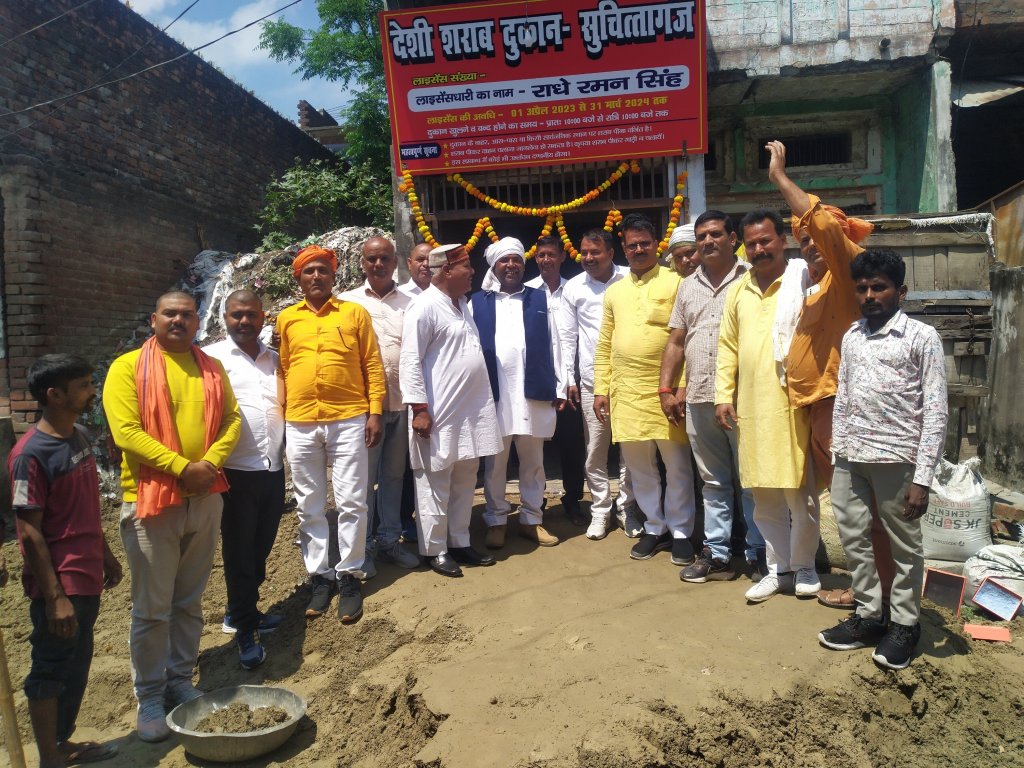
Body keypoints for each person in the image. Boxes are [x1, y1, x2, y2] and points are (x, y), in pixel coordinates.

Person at [765, 139, 896, 610]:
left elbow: (820, 224)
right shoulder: (816, 287)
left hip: (839, 407)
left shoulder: (847, 273)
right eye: (803, 243)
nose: (809, 246)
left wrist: (780, 178)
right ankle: (870, 589)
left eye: (816, 240)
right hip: (816, 409)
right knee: (848, 508)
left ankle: (875, 596)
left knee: (861, 510)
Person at [104, 291, 240, 741]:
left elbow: (232, 421)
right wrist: (183, 468)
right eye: (170, 314)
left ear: (198, 321)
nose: (178, 320)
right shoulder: (127, 368)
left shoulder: (212, 368)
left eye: (187, 314)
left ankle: (180, 679)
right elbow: (127, 432)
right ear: (154, 319)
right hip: (151, 502)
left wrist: (209, 465)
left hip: (205, 498)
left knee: (189, 601)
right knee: (152, 609)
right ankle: (149, 695)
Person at [818, 250, 947, 670]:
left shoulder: (921, 337)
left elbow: (936, 410)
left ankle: (905, 625)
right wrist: (838, 450)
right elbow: (844, 396)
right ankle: (870, 616)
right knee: (854, 538)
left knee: (904, 546)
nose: (870, 295)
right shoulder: (852, 336)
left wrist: (923, 478)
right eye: (863, 288)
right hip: (851, 456)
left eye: (879, 287)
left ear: (900, 292)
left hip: (898, 458)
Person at [10, 354, 122, 767]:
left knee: (76, 663)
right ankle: (50, 757)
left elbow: (84, 506)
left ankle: (61, 742)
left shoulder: (78, 437)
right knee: (52, 666)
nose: (92, 391)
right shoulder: (30, 455)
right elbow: (29, 531)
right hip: (61, 583)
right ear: (55, 395)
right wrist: (55, 597)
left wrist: (105, 553)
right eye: (84, 385)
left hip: (87, 572)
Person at [276, 244, 386, 622]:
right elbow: (284, 369)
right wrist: (282, 418)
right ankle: (320, 576)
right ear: (299, 278)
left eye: (323, 270)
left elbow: (372, 364)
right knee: (309, 504)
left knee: (352, 501)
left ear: (333, 275)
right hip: (300, 421)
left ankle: (350, 575)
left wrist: (375, 412)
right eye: (309, 271)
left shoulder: (353, 313)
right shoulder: (287, 319)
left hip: (349, 418)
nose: (316, 276)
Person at [714, 211, 820, 602]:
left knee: (800, 493)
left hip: (794, 401)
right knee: (764, 493)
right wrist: (723, 395)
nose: (758, 249)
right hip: (753, 404)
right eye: (752, 244)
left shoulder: (803, 278)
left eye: (765, 241)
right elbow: (727, 346)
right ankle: (779, 569)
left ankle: (806, 566)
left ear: (783, 241)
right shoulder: (738, 290)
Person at [660, 211, 766, 583]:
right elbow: (676, 341)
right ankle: (717, 552)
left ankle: (759, 552)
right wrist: (666, 388)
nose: (707, 241)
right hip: (700, 396)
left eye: (715, 234)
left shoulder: (752, 277)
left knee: (750, 479)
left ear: (733, 238)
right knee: (714, 481)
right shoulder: (688, 285)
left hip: (742, 398)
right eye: (702, 236)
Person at [594, 214, 697, 565]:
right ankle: (655, 527)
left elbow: (688, 338)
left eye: (644, 243)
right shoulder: (614, 291)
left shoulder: (677, 281)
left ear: (656, 245)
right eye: (632, 245)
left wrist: (681, 386)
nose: (638, 249)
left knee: (677, 465)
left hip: (666, 391)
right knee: (640, 468)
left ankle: (681, 531)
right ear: (623, 249)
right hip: (626, 391)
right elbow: (605, 343)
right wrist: (601, 389)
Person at [400, 244, 503, 577]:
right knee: (435, 481)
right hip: (438, 412)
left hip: (470, 411)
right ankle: (435, 549)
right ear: (446, 270)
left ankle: (459, 541)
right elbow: (410, 361)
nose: (472, 272)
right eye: (466, 266)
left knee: (465, 477)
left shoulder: (462, 304)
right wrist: (419, 409)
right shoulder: (424, 307)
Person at [204, 291, 286, 671]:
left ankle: (242, 610)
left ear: (262, 317)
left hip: (273, 468)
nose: (244, 321)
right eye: (236, 315)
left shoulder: (275, 360)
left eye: (251, 315)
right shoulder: (211, 360)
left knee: (261, 545)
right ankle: (245, 629)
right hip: (235, 472)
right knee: (239, 551)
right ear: (225, 317)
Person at [472, 237, 565, 549]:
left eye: (516, 260)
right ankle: (496, 520)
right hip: (493, 396)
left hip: (532, 394)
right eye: (505, 260)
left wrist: (560, 385)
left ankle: (531, 520)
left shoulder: (538, 298)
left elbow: (555, 344)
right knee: (495, 464)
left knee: (533, 462)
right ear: (494, 266)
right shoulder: (477, 302)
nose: (511, 265)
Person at [339, 237, 421, 575]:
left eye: (384, 258)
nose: (378, 264)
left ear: (395, 262)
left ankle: (389, 540)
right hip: (363, 410)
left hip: (402, 404)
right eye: (372, 259)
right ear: (362, 263)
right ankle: (364, 547)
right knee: (363, 480)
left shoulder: (412, 303)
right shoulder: (347, 303)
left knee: (394, 476)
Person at [559, 229, 638, 540]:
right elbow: (567, 337)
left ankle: (627, 507)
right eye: (584, 252)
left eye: (595, 252)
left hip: (632, 380)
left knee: (632, 449)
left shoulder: (631, 278)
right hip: (594, 383)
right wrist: (569, 377)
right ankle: (601, 509)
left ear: (611, 253)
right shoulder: (574, 287)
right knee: (595, 450)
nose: (588, 258)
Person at [526, 236, 587, 526]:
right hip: (538, 380)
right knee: (533, 445)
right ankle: (534, 503)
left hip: (571, 380)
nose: (545, 260)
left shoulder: (574, 289)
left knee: (571, 443)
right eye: (541, 255)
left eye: (551, 254)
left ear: (562, 257)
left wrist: (569, 379)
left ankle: (573, 500)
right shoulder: (527, 292)